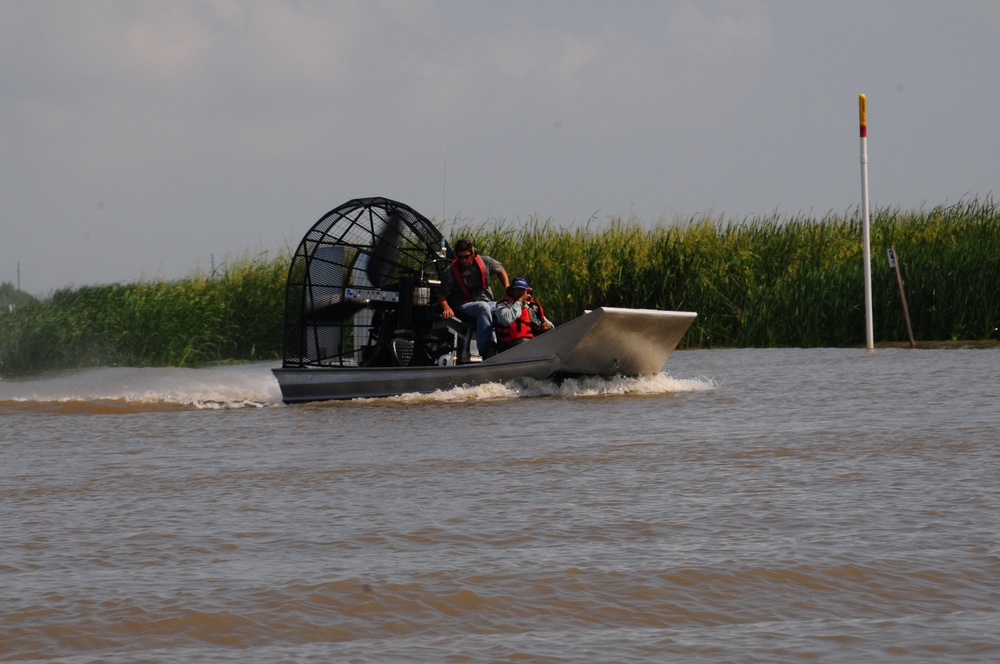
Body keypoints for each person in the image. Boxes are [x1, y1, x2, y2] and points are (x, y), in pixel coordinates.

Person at [437, 239, 509, 357]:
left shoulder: (486, 261)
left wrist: (507, 287)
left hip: (487, 301)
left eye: (466, 257)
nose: (464, 261)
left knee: (505, 307)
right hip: (464, 306)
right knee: (483, 307)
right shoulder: (451, 272)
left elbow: (500, 270)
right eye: (460, 258)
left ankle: (507, 346)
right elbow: (441, 296)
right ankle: (485, 350)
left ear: (473, 253)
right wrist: (446, 307)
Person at [493, 276, 554, 350]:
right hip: (513, 344)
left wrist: (548, 326)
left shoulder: (532, 306)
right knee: (528, 345)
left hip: (534, 341)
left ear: (527, 291)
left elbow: (549, 324)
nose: (520, 292)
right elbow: (507, 320)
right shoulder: (503, 306)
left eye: (523, 290)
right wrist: (519, 302)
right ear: (512, 291)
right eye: (518, 289)